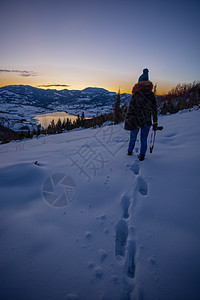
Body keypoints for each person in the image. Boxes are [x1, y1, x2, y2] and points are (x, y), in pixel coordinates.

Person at [125, 68, 158, 161]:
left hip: (135, 120)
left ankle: (129, 151)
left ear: (139, 82)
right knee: (144, 139)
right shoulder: (151, 95)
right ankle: (142, 156)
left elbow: (130, 108)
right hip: (147, 121)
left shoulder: (136, 94)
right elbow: (154, 109)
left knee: (133, 137)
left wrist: (127, 118)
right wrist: (155, 121)